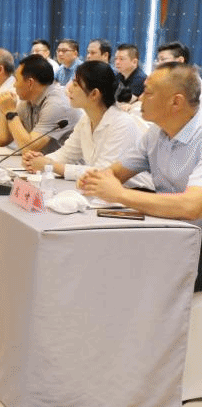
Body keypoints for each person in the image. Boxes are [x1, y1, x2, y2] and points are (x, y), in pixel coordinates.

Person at [80, 63, 202, 290]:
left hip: (195, 244)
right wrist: (96, 180)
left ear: (176, 102)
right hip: (168, 231)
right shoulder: (156, 132)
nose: (140, 98)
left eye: (148, 93)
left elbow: (191, 207)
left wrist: (119, 194)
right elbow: (116, 172)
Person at [23, 61, 145, 184]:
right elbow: (66, 154)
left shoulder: (122, 123)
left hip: (134, 191)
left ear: (94, 94)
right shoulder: (85, 121)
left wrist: (50, 165)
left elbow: (103, 172)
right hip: (102, 190)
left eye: (76, 84)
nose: (69, 88)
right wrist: (36, 160)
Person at [0, 54, 79, 154]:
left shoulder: (56, 104)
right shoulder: (27, 101)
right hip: (43, 162)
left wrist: (10, 112)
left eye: (17, 80)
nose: (14, 85)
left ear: (30, 83)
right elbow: (1, 140)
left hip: (64, 163)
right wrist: (4, 110)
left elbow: (29, 148)